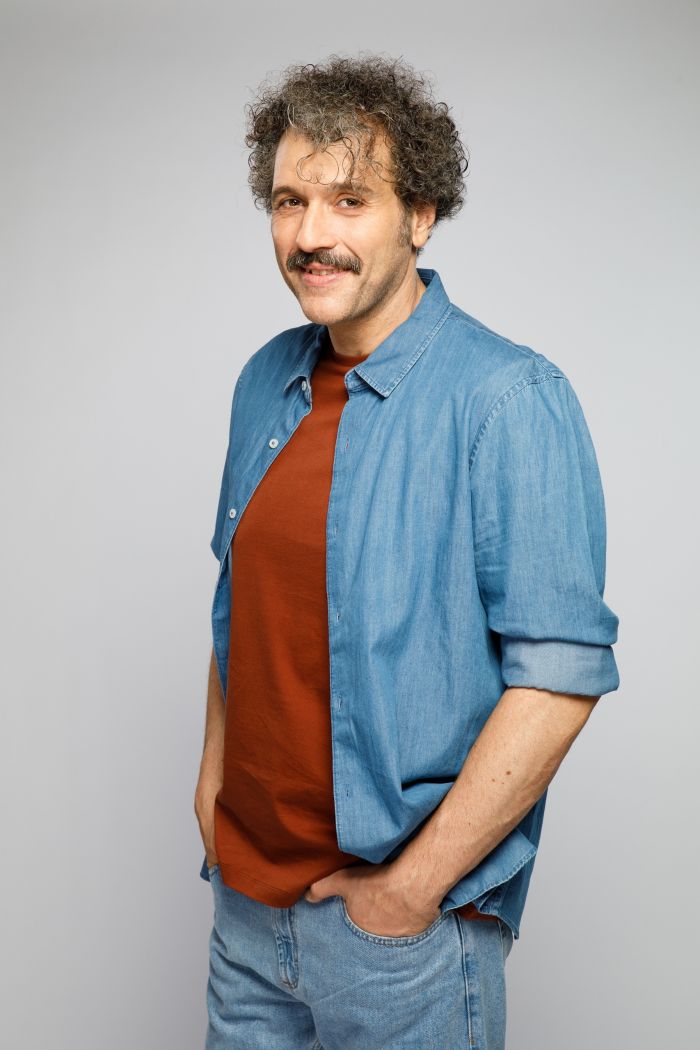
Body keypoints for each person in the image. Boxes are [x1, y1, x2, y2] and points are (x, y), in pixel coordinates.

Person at [194, 54, 620, 1049]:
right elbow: (238, 609)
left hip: (396, 940)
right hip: (246, 912)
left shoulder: (507, 398)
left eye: (349, 200)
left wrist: (413, 890)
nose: (312, 234)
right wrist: (210, 798)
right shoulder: (265, 381)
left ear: (419, 215)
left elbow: (559, 675)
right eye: (290, 201)